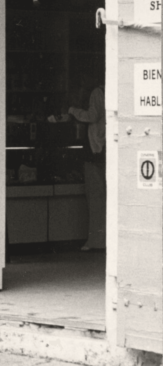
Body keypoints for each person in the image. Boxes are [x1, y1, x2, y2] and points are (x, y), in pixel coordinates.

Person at [66, 72, 106, 251]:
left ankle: (96, 241)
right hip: (105, 148)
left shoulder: (98, 92)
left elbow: (93, 116)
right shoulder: (111, 90)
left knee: (95, 197)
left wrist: (73, 110)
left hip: (96, 148)